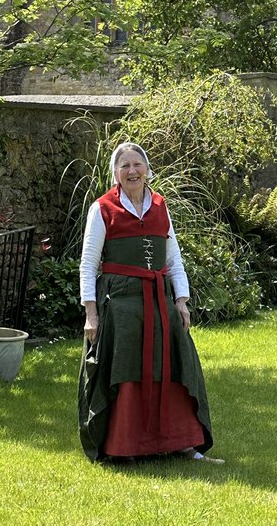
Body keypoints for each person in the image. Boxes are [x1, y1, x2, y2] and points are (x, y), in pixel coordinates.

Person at [77, 142, 221, 463]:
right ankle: (124, 446)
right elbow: (88, 264)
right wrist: (91, 313)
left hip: (159, 301)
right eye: (124, 166)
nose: (132, 171)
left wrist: (181, 301)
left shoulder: (160, 206)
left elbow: (173, 258)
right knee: (126, 371)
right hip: (120, 305)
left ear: (146, 169)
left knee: (174, 367)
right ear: (115, 173)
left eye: (137, 164)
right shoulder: (102, 209)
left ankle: (183, 443)